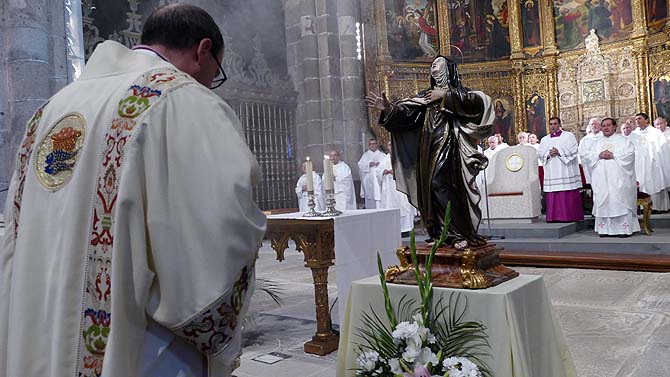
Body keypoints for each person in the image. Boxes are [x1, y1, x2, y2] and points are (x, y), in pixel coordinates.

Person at [0, 4, 266, 377]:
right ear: (202, 51)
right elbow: (222, 232)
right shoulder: (185, 102)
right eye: (215, 73)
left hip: (41, 335)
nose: (210, 83)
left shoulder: (48, 111)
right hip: (143, 350)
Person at [365, 55, 494, 248]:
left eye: (438, 62)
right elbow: (407, 115)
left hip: (450, 146)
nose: (433, 65)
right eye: (432, 64)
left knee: (440, 184)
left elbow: (478, 103)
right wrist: (388, 109)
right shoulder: (426, 95)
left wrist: (445, 96)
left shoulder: (459, 93)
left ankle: (458, 233)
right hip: (427, 148)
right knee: (429, 190)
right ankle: (441, 234)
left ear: (448, 68)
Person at [582, 118, 639, 237]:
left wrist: (614, 155)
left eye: (608, 125)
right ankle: (604, 230)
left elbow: (630, 155)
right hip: (601, 179)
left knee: (619, 200)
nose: (606, 128)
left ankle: (623, 230)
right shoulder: (595, 143)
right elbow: (587, 156)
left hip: (619, 178)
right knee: (604, 200)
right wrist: (599, 155)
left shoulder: (623, 141)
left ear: (615, 127)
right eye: (603, 126)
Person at [538, 117, 584, 222]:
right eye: (551, 124)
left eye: (555, 124)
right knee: (553, 192)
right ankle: (553, 217)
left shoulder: (569, 136)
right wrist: (548, 154)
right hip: (552, 170)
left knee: (567, 192)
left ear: (559, 124)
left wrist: (559, 152)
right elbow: (540, 154)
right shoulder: (544, 139)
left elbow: (574, 150)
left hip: (565, 169)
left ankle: (570, 216)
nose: (553, 126)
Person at [630, 112, 670, 211]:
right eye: (636, 119)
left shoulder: (655, 133)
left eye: (639, 118)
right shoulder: (633, 134)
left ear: (647, 120)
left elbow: (663, 149)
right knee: (641, 184)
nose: (637, 121)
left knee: (654, 183)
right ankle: (641, 208)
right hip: (638, 165)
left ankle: (657, 207)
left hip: (654, 164)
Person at [377, 141, 417, 234]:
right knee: (389, 205)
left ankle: (405, 229)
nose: (391, 147)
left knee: (403, 206)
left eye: (392, 145)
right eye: (389, 145)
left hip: (400, 188)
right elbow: (378, 172)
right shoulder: (383, 159)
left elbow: (408, 171)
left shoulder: (402, 157)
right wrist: (383, 171)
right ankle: (391, 229)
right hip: (389, 188)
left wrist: (395, 172)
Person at [357, 138, 385, 209]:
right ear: (369, 145)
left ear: (377, 145)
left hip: (379, 180)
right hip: (369, 180)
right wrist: (369, 164)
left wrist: (380, 164)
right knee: (370, 199)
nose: (372, 145)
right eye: (370, 144)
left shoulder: (382, 155)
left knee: (380, 197)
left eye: (374, 144)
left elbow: (386, 165)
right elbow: (360, 165)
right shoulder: (365, 155)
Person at [578, 117, 603, 184]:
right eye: (592, 124)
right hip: (589, 166)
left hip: (603, 165)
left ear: (600, 125)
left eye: (596, 124)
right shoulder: (585, 140)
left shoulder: (605, 137)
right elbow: (580, 153)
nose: (594, 126)